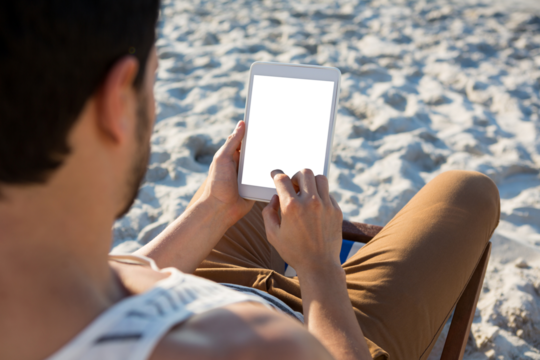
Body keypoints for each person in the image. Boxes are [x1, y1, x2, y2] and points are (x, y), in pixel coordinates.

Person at [0, 1, 500, 360]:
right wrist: (321, 271)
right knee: (469, 190)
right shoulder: (258, 347)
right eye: (152, 83)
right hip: (325, 324)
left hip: (195, 277)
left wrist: (212, 209)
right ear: (116, 103)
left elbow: (122, 276)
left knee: (251, 187)